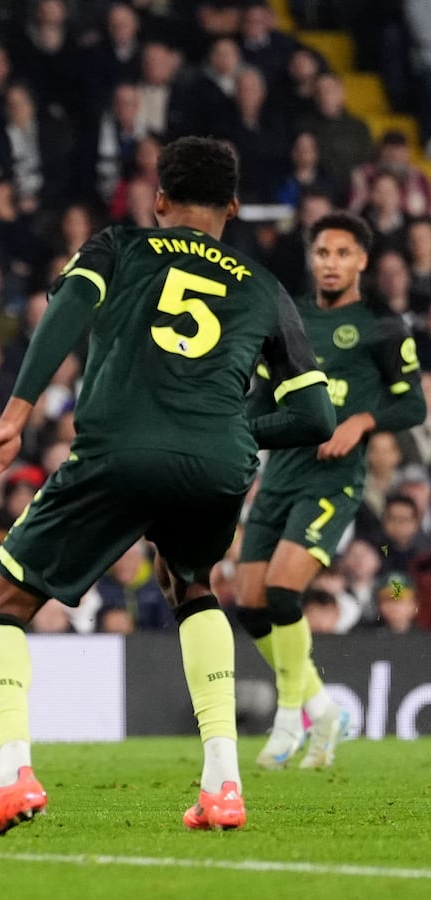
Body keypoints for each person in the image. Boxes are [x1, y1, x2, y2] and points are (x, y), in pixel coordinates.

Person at [0, 137, 336, 837]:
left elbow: (66, 312)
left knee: (2, 603)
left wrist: (15, 416)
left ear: (160, 200)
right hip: (218, 465)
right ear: (232, 207)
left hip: (119, 450)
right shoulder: (264, 286)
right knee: (192, 585)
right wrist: (230, 430)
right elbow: (316, 415)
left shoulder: (120, 247)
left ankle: (13, 776)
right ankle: (224, 783)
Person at [236, 211, 425, 771]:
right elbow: (267, 391)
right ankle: (325, 708)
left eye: (344, 253)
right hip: (281, 475)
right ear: (311, 257)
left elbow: (411, 403)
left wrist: (361, 421)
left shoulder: (384, 327)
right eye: (323, 253)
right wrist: (235, 430)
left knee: (282, 593)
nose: (332, 263)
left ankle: (289, 718)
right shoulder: (287, 315)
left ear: (363, 261)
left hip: (333, 481)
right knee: (250, 606)